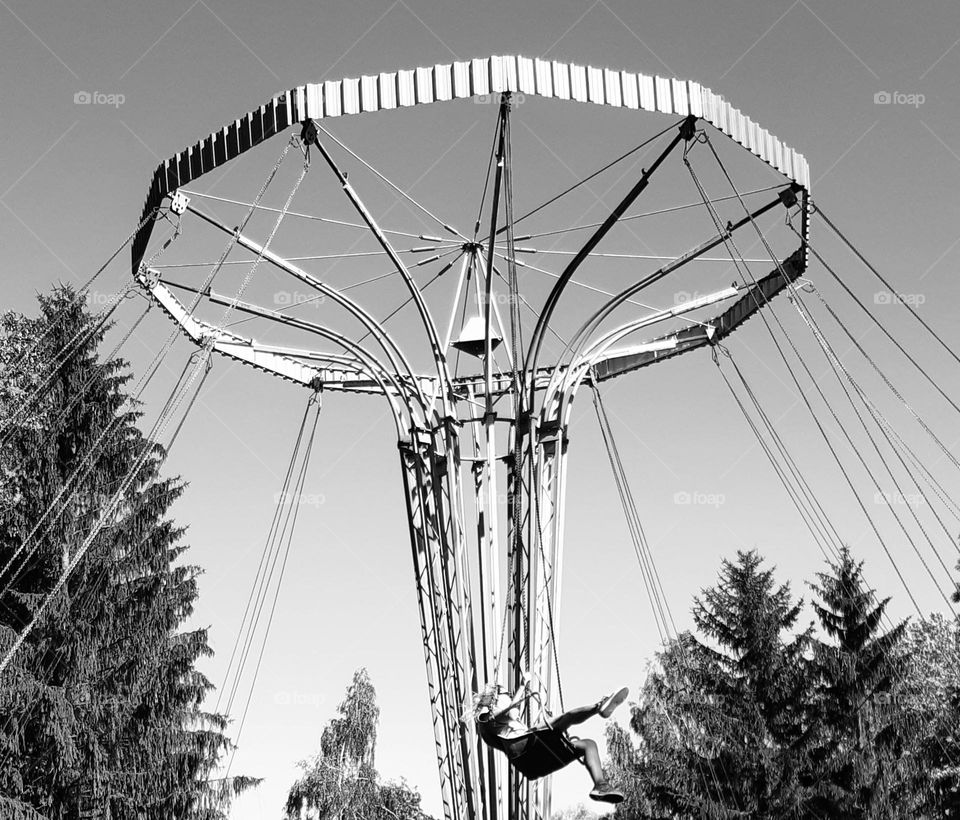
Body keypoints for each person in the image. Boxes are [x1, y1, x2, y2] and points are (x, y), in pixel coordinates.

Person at [468, 677, 629, 804]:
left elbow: (516, 720)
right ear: (493, 700)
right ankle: (598, 707)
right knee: (563, 720)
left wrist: (551, 722)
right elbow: (511, 714)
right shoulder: (486, 720)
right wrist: (522, 686)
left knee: (588, 745)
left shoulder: (504, 726)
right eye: (507, 695)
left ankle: (601, 785)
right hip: (525, 751)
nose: (510, 697)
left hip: (532, 758)